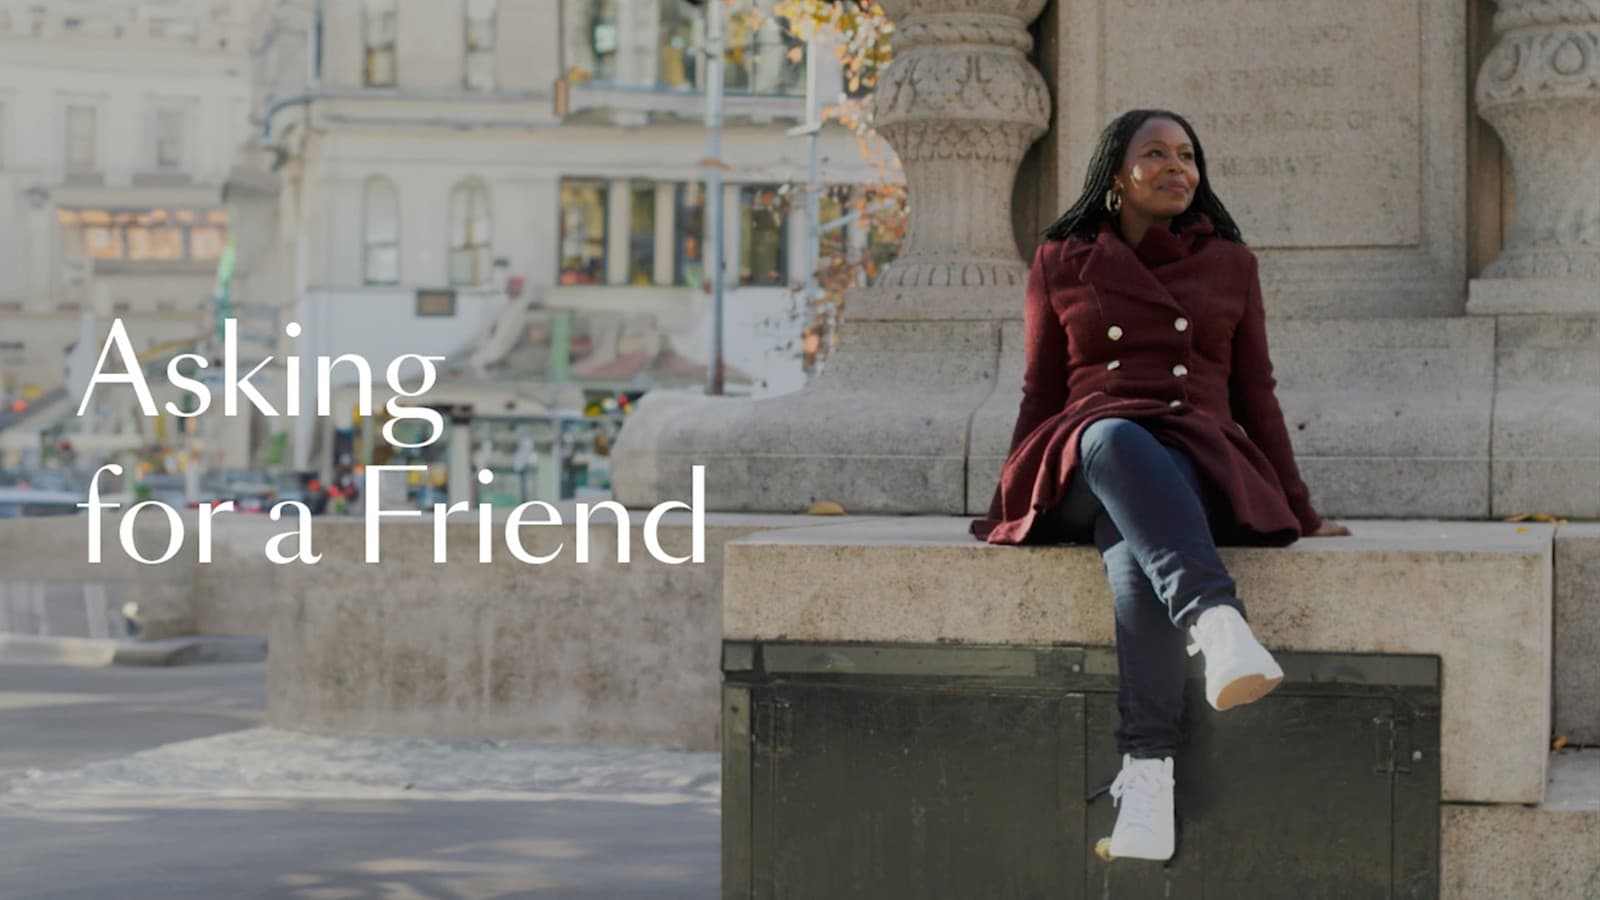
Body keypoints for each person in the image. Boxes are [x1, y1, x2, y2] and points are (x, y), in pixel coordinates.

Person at [971, 109, 1351, 862]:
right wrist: (1008, 501)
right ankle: (1216, 621)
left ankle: (1146, 775)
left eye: (1187, 155)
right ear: (1116, 175)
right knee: (1114, 440)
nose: (1177, 167)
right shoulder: (1061, 260)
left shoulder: (1232, 266)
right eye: (1155, 154)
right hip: (1087, 451)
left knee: (1131, 545)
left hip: (1195, 458)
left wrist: (1300, 509)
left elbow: (1257, 394)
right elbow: (1041, 392)